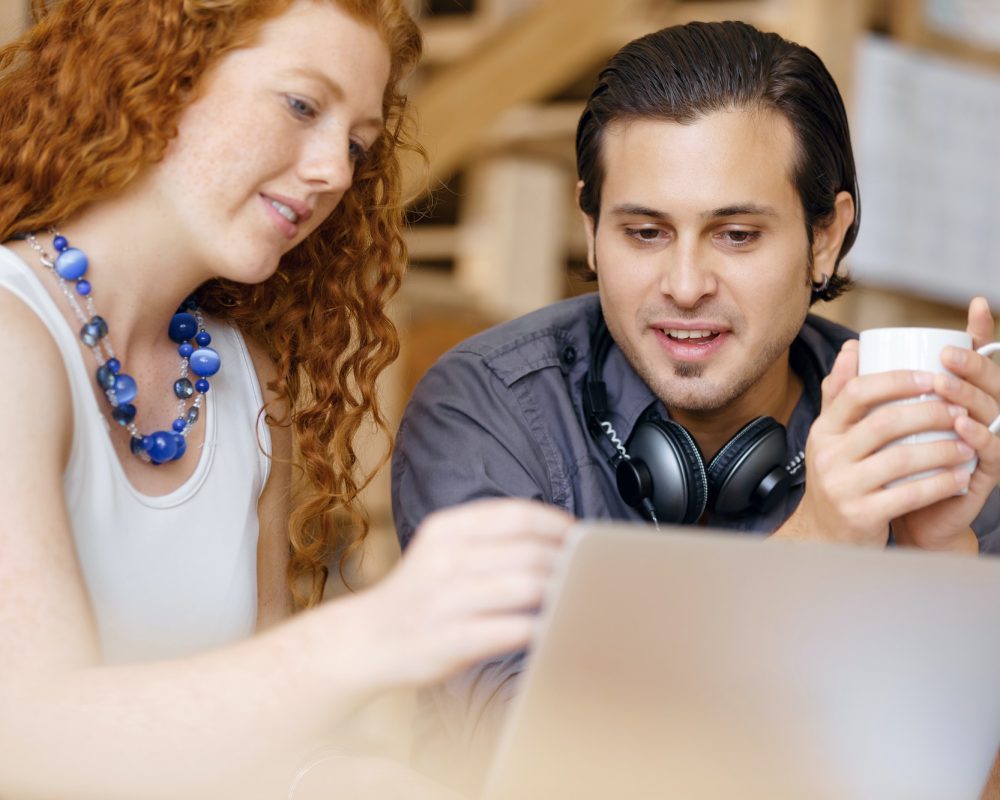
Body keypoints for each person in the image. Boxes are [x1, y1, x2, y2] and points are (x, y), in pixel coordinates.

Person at [392, 19, 1000, 792]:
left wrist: (936, 562)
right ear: (589, 228)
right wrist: (816, 544)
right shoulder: (486, 409)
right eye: (644, 232)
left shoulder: (916, 423)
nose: (684, 284)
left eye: (737, 235)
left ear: (826, 237)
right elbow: (525, 765)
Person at [0, 1, 573, 798]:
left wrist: (362, 778)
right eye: (303, 105)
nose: (337, 171)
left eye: (358, 144)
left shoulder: (242, 377)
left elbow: (261, 750)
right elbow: (26, 739)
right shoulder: (10, 338)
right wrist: (378, 630)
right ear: (160, 71)